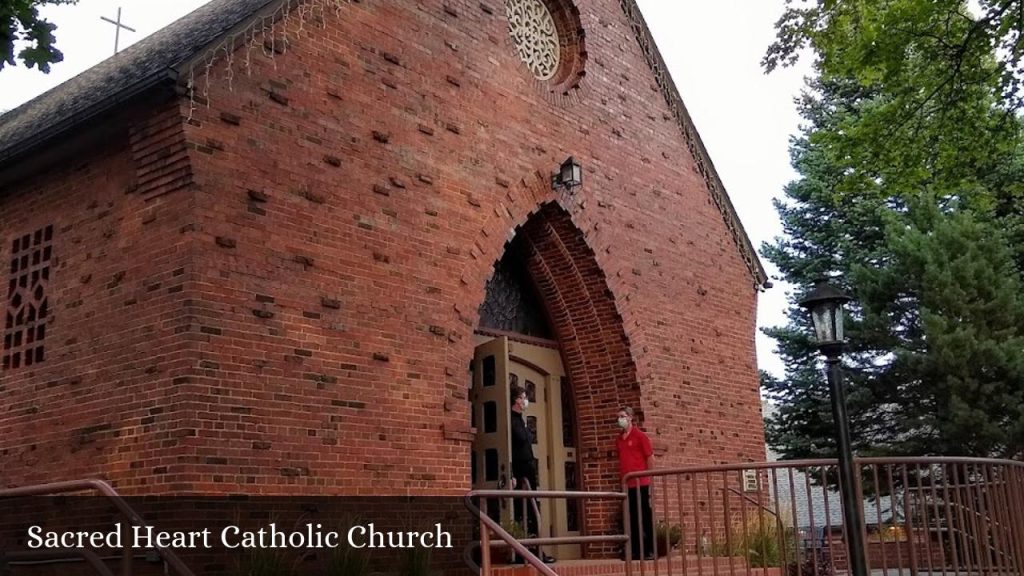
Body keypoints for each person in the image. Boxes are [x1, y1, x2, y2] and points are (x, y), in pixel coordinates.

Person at [510, 384, 556, 564]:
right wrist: (512, 473)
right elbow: (512, 446)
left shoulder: (521, 419)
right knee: (524, 510)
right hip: (519, 470)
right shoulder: (510, 420)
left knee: (532, 508)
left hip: (528, 467)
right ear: (516, 400)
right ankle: (524, 552)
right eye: (522, 397)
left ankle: (536, 551)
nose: (525, 401)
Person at [616, 406, 655, 560]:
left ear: (630, 417)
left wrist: (649, 477)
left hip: (641, 483)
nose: (620, 420)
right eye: (618, 417)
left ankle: (649, 550)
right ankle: (635, 550)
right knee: (631, 517)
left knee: (644, 515)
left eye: (622, 416)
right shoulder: (619, 439)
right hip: (627, 484)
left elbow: (650, 457)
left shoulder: (640, 436)